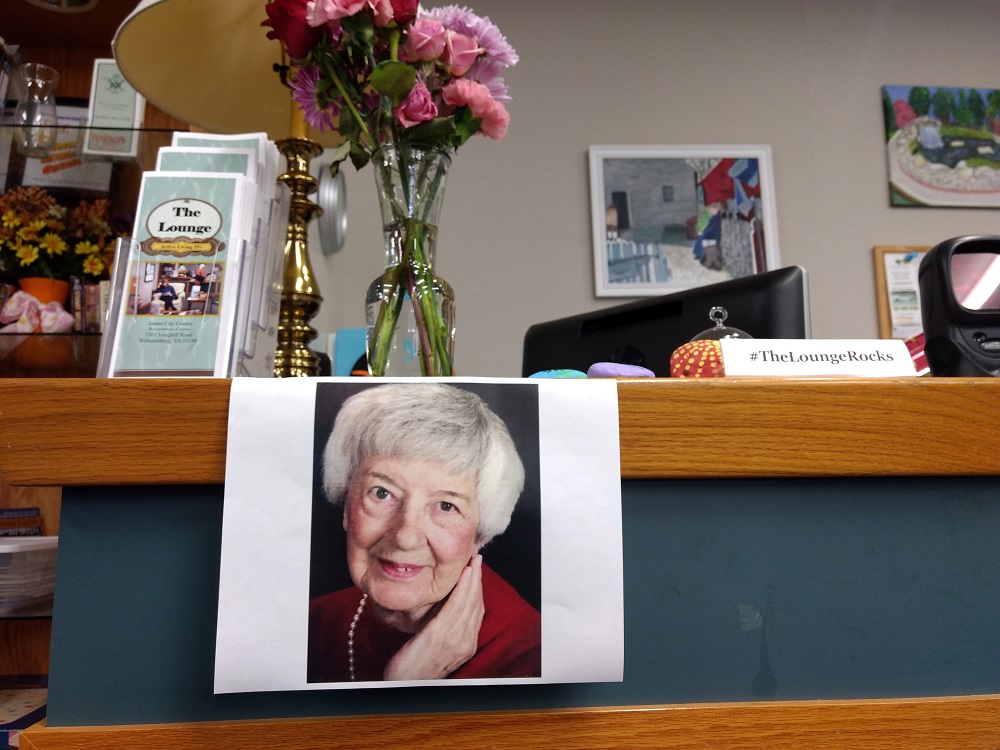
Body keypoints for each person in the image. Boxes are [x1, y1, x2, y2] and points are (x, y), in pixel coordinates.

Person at [308, 383, 541, 682]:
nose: (405, 536)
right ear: (346, 504)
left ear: (481, 535)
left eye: (446, 506)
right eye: (382, 493)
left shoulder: (529, 657)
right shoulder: (314, 623)